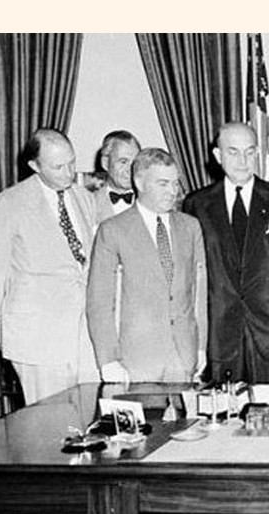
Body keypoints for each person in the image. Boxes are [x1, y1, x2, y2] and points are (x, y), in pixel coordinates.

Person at [0, 128, 99, 404]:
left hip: (82, 335)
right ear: (35, 166)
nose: (68, 173)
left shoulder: (84, 198)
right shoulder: (8, 204)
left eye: (71, 162)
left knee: (88, 421)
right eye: (58, 167)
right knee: (48, 427)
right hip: (37, 337)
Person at [182, 122, 269, 383]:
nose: (242, 160)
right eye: (233, 152)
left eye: (249, 152)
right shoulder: (197, 204)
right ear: (218, 156)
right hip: (219, 334)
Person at [86, 148, 208, 383]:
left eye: (175, 183)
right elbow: (99, 303)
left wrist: (200, 346)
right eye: (163, 184)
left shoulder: (190, 227)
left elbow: (199, 293)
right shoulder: (112, 230)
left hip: (184, 357)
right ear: (139, 182)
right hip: (135, 361)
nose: (172, 191)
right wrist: (108, 360)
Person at [91, 130, 142, 223]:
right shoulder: (90, 205)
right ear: (105, 163)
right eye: (123, 162)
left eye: (135, 162)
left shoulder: (149, 202)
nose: (131, 169)